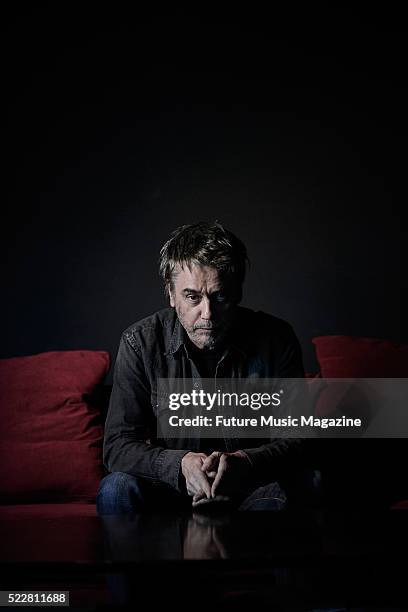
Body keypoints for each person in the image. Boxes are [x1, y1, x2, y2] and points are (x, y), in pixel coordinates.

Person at [97, 222, 318, 513]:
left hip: (251, 490)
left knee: (307, 483)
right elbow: (117, 446)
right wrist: (181, 464)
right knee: (116, 489)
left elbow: (298, 441)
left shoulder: (275, 339)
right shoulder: (140, 342)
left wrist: (245, 462)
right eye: (192, 297)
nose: (207, 314)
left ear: (237, 292)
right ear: (171, 295)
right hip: (169, 491)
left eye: (220, 296)